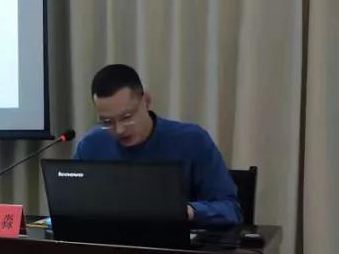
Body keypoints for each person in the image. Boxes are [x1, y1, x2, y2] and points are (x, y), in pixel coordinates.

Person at [73, 64, 241, 224]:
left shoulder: (192, 140)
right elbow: (71, 204)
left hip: (174, 242)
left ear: (146, 101)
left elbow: (230, 210)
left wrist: (189, 211)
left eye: (127, 117)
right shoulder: (91, 145)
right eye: (107, 121)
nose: (119, 129)